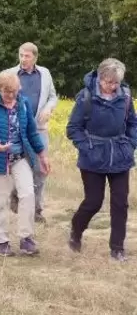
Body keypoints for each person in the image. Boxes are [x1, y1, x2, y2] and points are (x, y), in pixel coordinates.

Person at [66, 58, 136, 263]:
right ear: (101, 78)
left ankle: (117, 249)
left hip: (120, 156)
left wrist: (131, 143)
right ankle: (76, 231)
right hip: (93, 158)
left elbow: (133, 123)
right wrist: (88, 147)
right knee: (94, 202)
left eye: (116, 83)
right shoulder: (85, 97)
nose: (113, 86)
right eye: (109, 82)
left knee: (120, 203)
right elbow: (73, 129)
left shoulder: (125, 96)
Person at [0, 71, 51, 257]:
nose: (11, 95)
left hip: (19, 157)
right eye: (7, 91)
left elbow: (32, 132)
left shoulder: (23, 104)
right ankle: (1, 241)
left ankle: (26, 238)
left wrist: (42, 155)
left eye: (14, 91)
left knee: (27, 194)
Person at [6, 42, 58, 224]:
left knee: (41, 169)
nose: (23, 59)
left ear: (35, 57)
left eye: (27, 56)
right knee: (19, 166)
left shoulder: (44, 74)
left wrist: (48, 109)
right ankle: (16, 195)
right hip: (16, 129)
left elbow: (53, 96)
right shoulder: (10, 74)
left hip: (38, 128)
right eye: (21, 55)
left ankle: (36, 209)